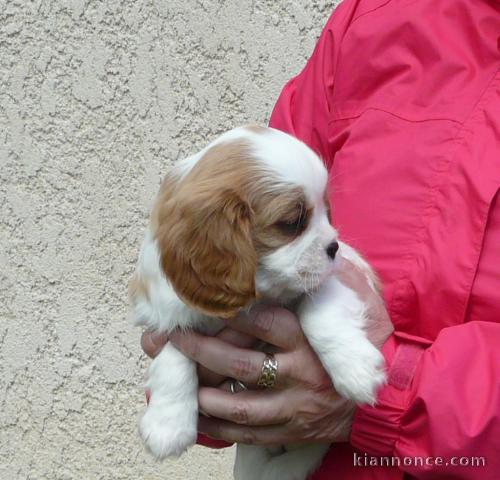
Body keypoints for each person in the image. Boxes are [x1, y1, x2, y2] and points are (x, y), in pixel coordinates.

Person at [141, 0, 500, 478]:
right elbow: (226, 269)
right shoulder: (376, 16)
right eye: (301, 220)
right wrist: (203, 374)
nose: (333, 237)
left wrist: (397, 397)